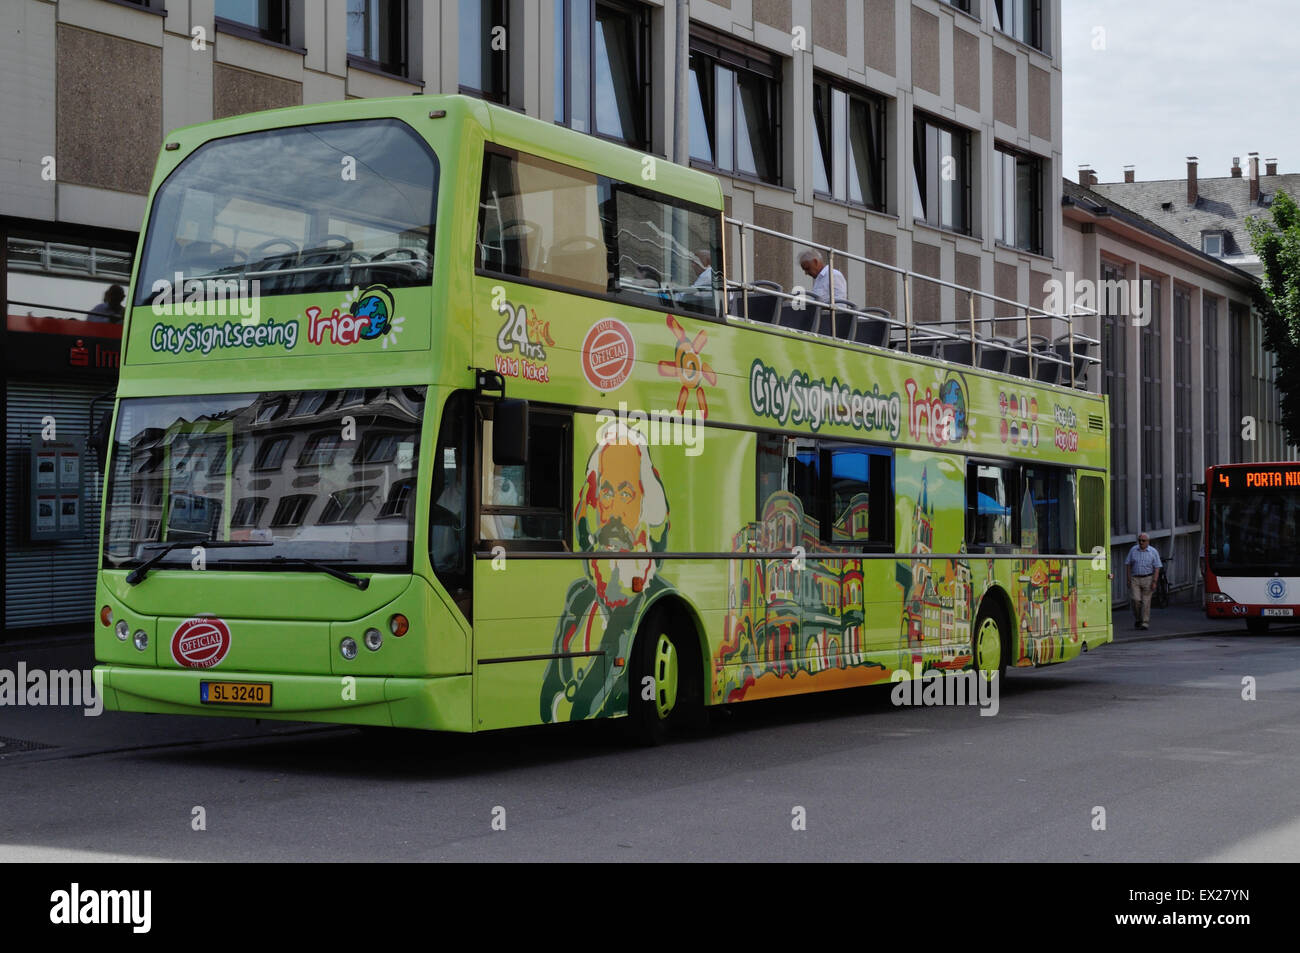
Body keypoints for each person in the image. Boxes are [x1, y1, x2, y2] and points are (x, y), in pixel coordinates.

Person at [539, 420, 673, 723]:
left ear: (646, 508)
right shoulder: (579, 599)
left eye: (626, 494)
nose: (613, 512)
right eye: (606, 493)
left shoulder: (657, 597)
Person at [1125, 532, 1163, 629]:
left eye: (1143, 541)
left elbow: (1157, 567)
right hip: (1135, 579)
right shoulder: (1133, 550)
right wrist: (1128, 579)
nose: (1141, 542)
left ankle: (1145, 622)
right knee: (1135, 600)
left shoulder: (1153, 551)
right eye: (1139, 540)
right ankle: (1138, 619)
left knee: (1146, 602)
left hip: (1148, 578)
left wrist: (1154, 581)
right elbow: (1128, 564)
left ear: (1148, 542)